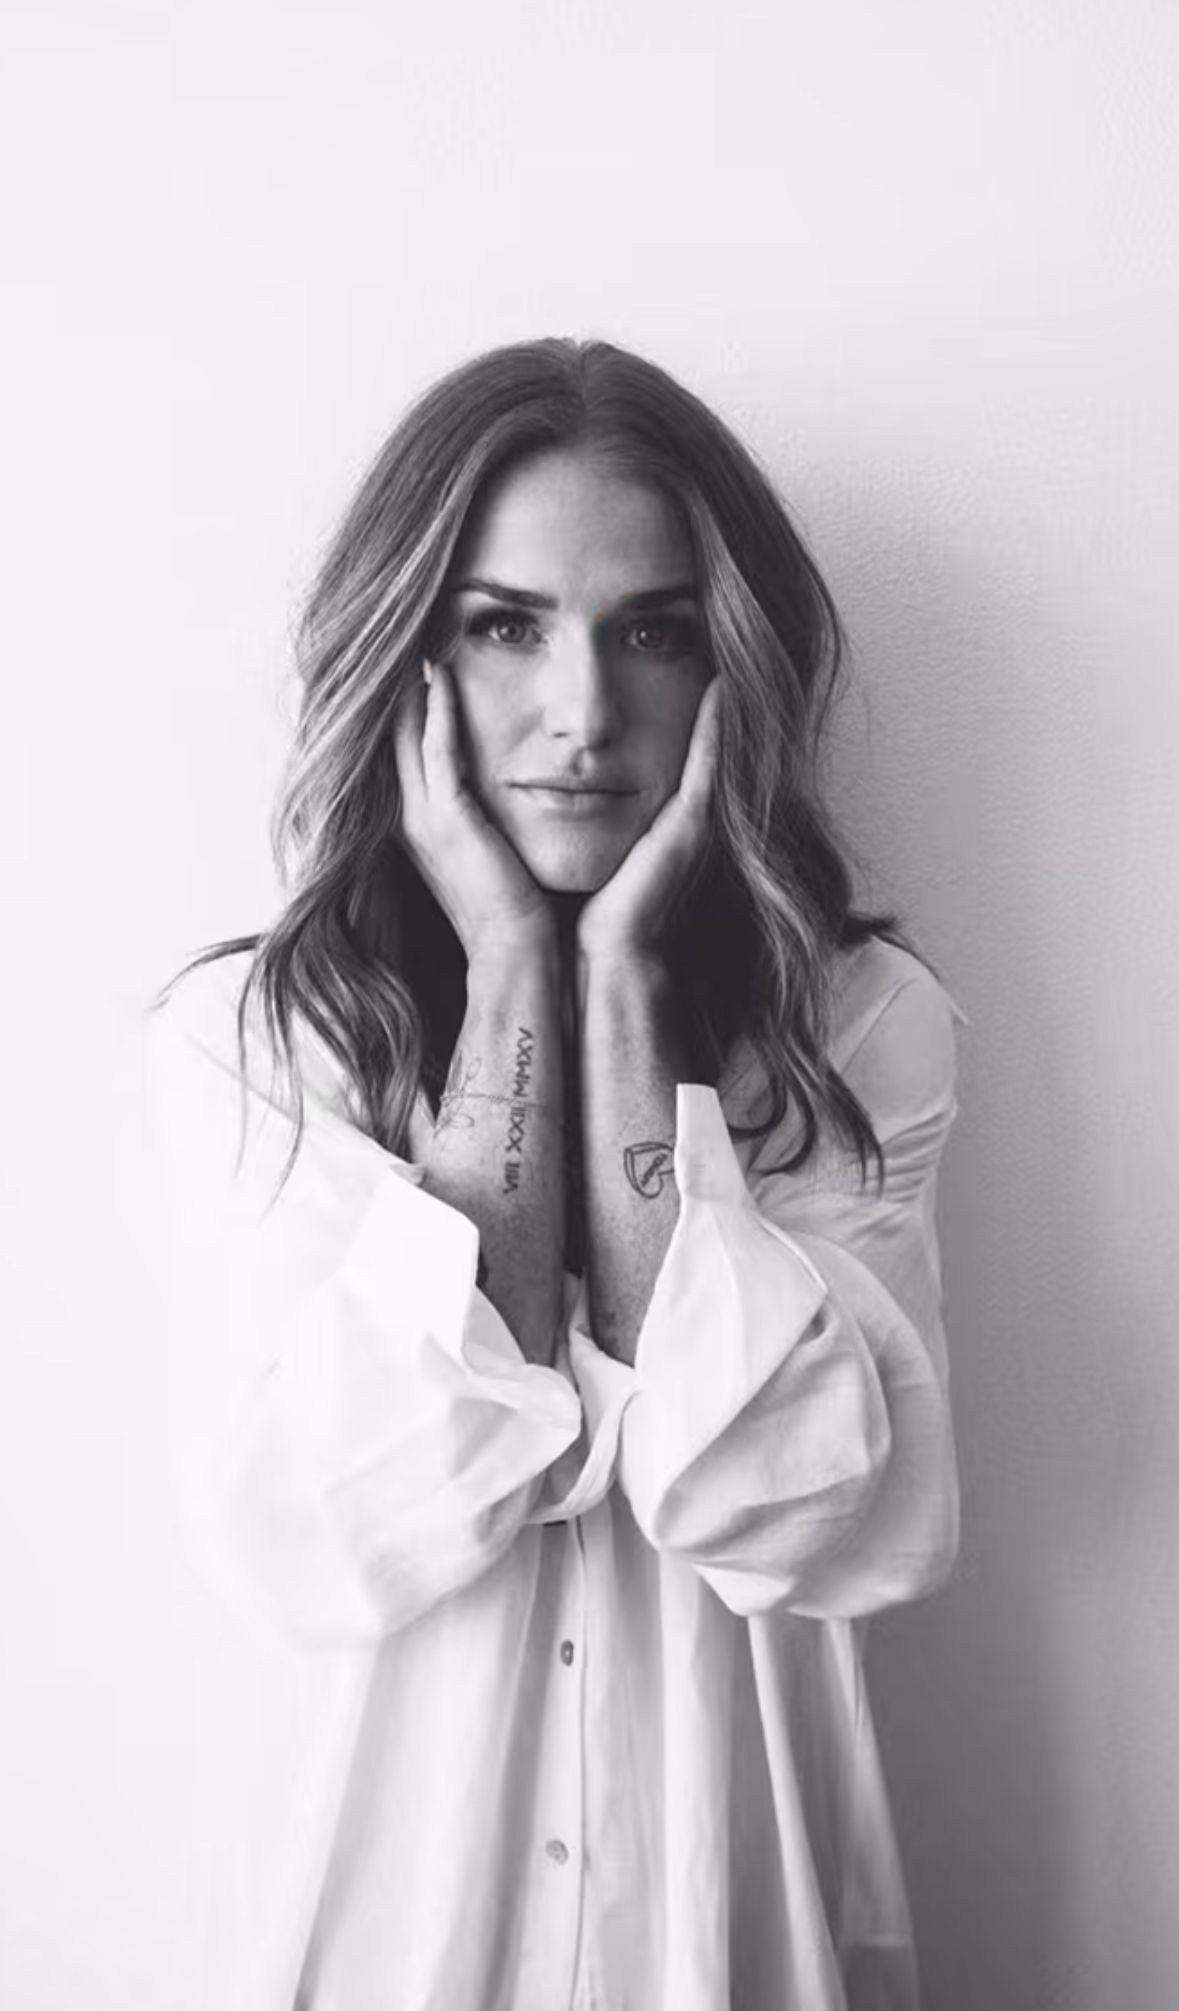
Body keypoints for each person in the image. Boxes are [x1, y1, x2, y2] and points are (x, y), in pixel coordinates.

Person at [148, 336, 968, 2011]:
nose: (585, 716)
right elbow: (354, 1523)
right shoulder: (260, 1047)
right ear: (408, 655)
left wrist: (620, 993)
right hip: (379, 1948)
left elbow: (791, 1517)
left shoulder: (866, 1032)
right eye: (505, 625)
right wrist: (518, 973)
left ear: (730, 665)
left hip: (732, 1940)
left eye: (651, 631)